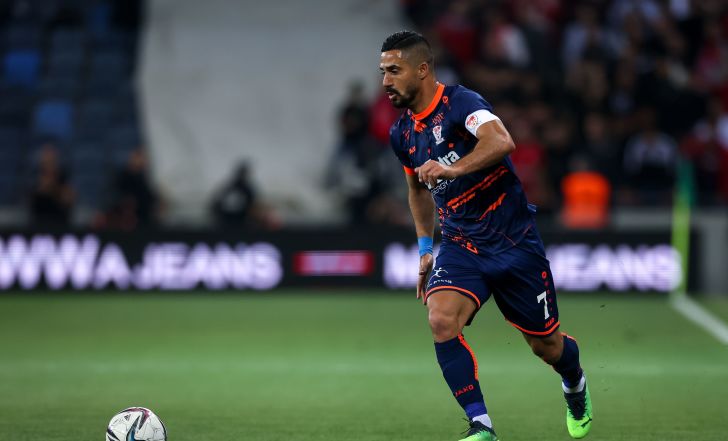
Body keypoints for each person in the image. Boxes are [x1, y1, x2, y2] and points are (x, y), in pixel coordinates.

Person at [380, 31, 592, 440]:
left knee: (546, 347)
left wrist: (452, 168)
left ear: (422, 70)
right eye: (383, 72)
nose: (386, 81)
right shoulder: (401, 134)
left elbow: (502, 141)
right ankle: (481, 424)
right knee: (441, 319)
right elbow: (417, 190)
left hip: (514, 243)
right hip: (462, 245)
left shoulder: (462, 103)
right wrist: (425, 247)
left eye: (394, 71)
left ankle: (575, 382)